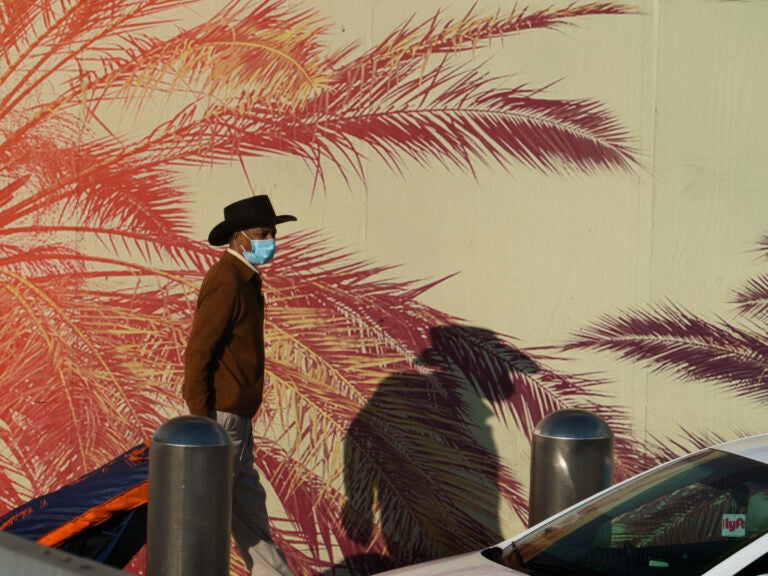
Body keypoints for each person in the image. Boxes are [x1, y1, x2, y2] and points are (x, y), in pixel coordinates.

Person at [183, 194, 296, 576]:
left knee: (247, 512)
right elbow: (199, 352)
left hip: (237, 421)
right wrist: (202, 424)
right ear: (238, 238)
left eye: (274, 233)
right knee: (206, 515)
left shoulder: (245, 279)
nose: (272, 241)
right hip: (221, 422)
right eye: (264, 233)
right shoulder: (229, 282)